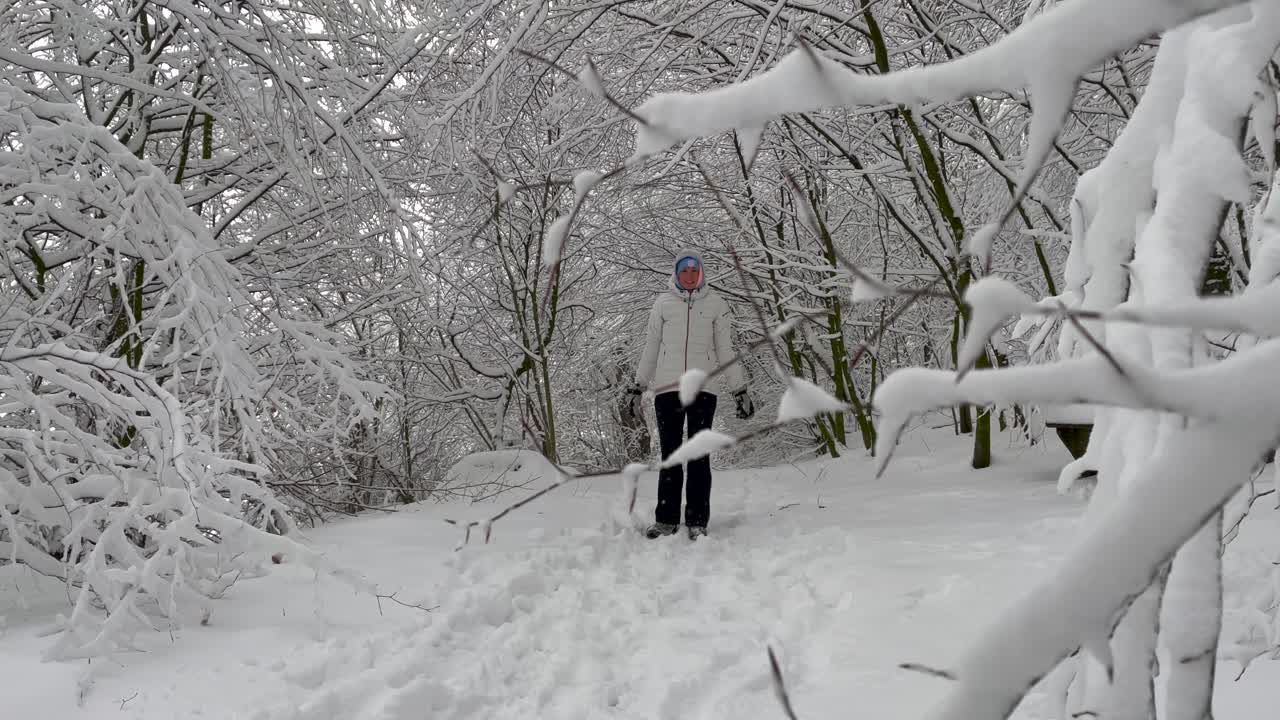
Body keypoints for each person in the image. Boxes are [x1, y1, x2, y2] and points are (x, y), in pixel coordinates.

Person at [628, 249, 755, 540]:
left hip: (703, 389)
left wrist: (740, 389)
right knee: (671, 454)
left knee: (699, 456)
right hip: (667, 390)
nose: (688, 276)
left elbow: (726, 350)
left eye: (693, 271)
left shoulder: (716, 304)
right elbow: (650, 348)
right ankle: (666, 520)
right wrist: (637, 385)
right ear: (676, 273)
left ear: (701, 273)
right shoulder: (662, 304)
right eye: (683, 271)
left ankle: (697, 520)